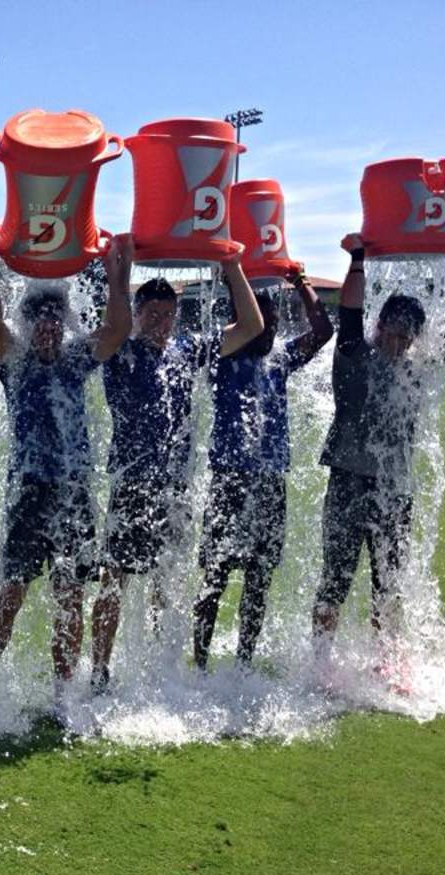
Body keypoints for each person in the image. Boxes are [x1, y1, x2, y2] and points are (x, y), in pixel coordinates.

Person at [310, 237, 445, 687]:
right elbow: (349, 313)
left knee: (388, 585)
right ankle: (320, 664)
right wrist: (357, 259)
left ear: (415, 336)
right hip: (348, 481)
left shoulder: (418, 367)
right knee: (335, 579)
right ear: (379, 326)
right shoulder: (354, 356)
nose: (396, 341)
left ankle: (388, 663)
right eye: (391, 332)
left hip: (395, 489)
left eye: (406, 336)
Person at [89, 249, 264, 695]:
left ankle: (157, 670)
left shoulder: (187, 352)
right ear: (137, 314)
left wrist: (232, 266)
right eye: (152, 314)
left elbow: (251, 327)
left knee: (167, 582)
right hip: (132, 483)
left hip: (175, 489)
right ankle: (100, 671)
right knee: (115, 581)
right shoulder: (120, 351)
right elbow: (112, 324)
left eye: (168, 315)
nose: (161, 322)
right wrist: (119, 274)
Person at [0, 236, 134, 720]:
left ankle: (63, 695)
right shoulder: (15, 365)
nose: (47, 328)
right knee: (11, 594)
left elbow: (117, 329)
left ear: (62, 324)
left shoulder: (75, 362)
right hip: (29, 493)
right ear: (28, 326)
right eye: (38, 321)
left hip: (74, 495)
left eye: (54, 321)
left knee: (70, 597)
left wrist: (116, 275)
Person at [192, 267, 334, 670]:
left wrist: (302, 283)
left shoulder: (280, 359)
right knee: (215, 576)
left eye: (273, 323)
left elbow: (323, 332)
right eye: (261, 323)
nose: (270, 331)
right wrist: (229, 276)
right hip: (229, 482)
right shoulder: (221, 358)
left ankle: (244, 662)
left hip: (269, 483)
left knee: (259, 577)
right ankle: (200, 662)